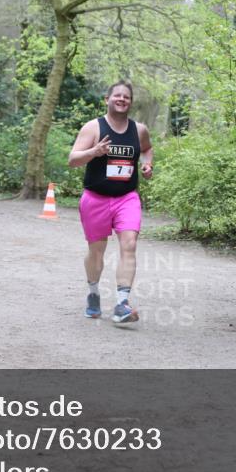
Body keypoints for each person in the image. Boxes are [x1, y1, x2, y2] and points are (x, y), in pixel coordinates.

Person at [68, 80, 153, 325]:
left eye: (126, 97)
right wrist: (93, 152)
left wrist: (148, 165)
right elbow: (72, 159)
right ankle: (94, 294)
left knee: (129, 244)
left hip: (127, 197)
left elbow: (147, 149)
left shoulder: (139, 130)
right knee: (97, 251)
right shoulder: (93, 127)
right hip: (95, 198)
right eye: (117, 96)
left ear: (131, 102)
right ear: (107, 99)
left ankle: (121, 304)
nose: (122, 100)